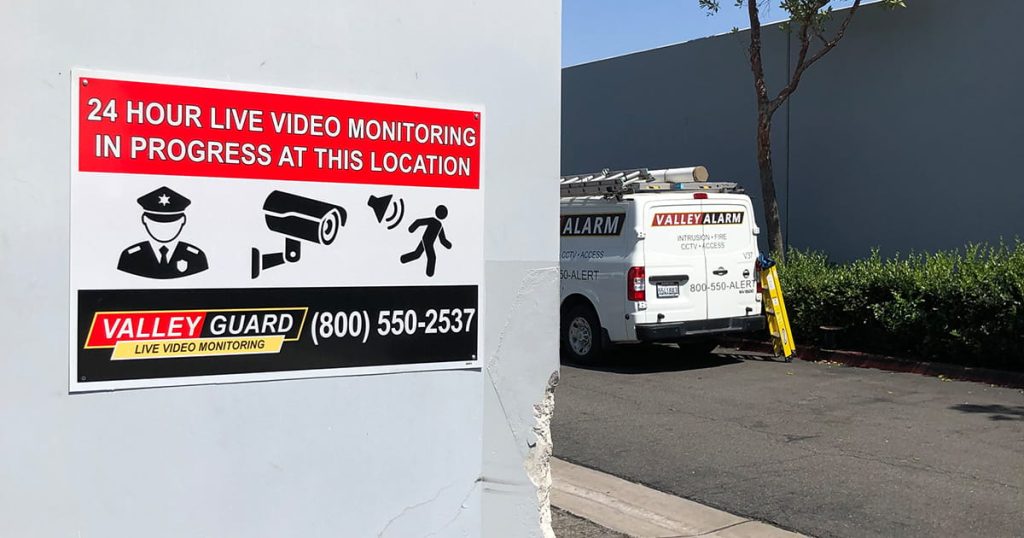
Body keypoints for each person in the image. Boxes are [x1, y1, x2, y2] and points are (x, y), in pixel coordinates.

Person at [117, 186, 208, 279]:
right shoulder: (131, 256)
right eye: (156, 223)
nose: (164, 228)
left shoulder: (195, 256)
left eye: (171, 223)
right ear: (144, 219)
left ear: (183, 220)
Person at [401, 205, 452, 277]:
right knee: (432, 257)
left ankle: (403, 259)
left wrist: (448, 244)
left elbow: (442, 239)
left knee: (417, 254)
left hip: (425, 240)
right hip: (428, 242)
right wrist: (412, 228)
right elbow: (419, 222)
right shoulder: (434, 221)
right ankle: (429, 273)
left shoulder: (439, 225)